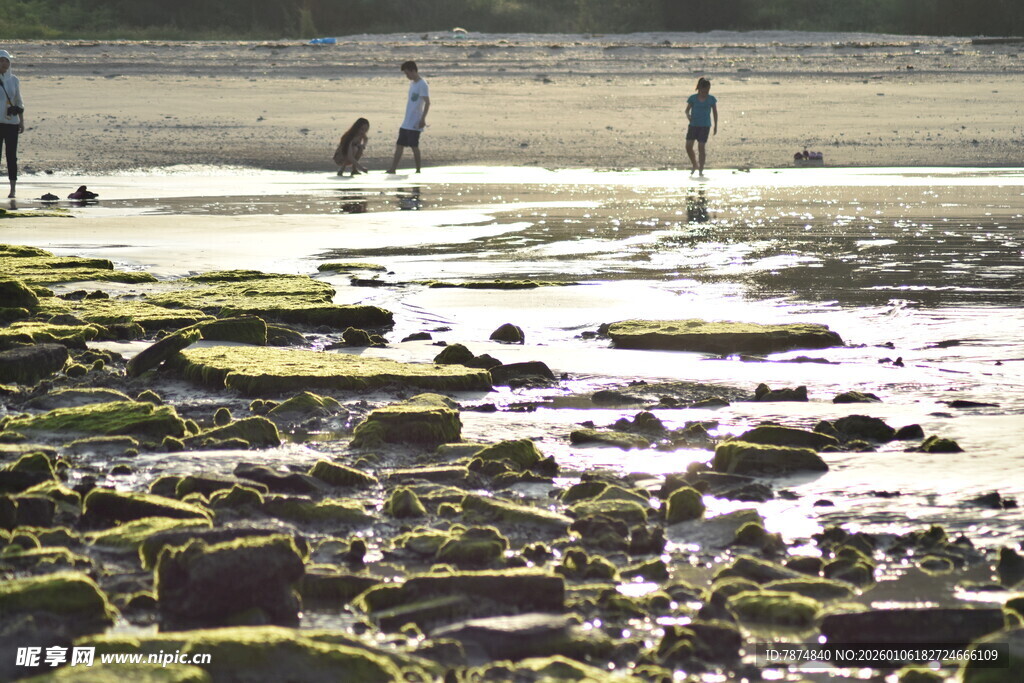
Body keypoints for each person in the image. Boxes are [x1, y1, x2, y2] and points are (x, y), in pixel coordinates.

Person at [386, 61, 429, 174]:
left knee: (414, 146)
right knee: (399, 145)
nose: (407, 76)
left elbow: (427, 102)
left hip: (415, 122)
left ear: (413, 71)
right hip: (406, 121)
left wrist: (423, 119)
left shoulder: (422, 84)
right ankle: (393, 169)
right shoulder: (412, 84)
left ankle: (418, 170)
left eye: (407, 73)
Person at [0, 49, 26, 199]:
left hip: (11, 123)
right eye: (1, 60)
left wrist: (21, 121)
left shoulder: (14, 80)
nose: (4, 63)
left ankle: (13, 189)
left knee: (11, 156)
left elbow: (19, 101)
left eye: (6, 61)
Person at [684, 76, 717, 177]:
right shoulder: (693, 98)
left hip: (705, 126)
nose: (705, 93)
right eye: (703, 91)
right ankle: (695, 164)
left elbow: (715, 113)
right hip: (693, 125)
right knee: (688, 146)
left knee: (701, 147)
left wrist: (715, 126)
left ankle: (701, 170)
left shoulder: (711, 99)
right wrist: (688, 116)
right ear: (699, 88)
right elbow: (687, 110)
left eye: (707, 91)